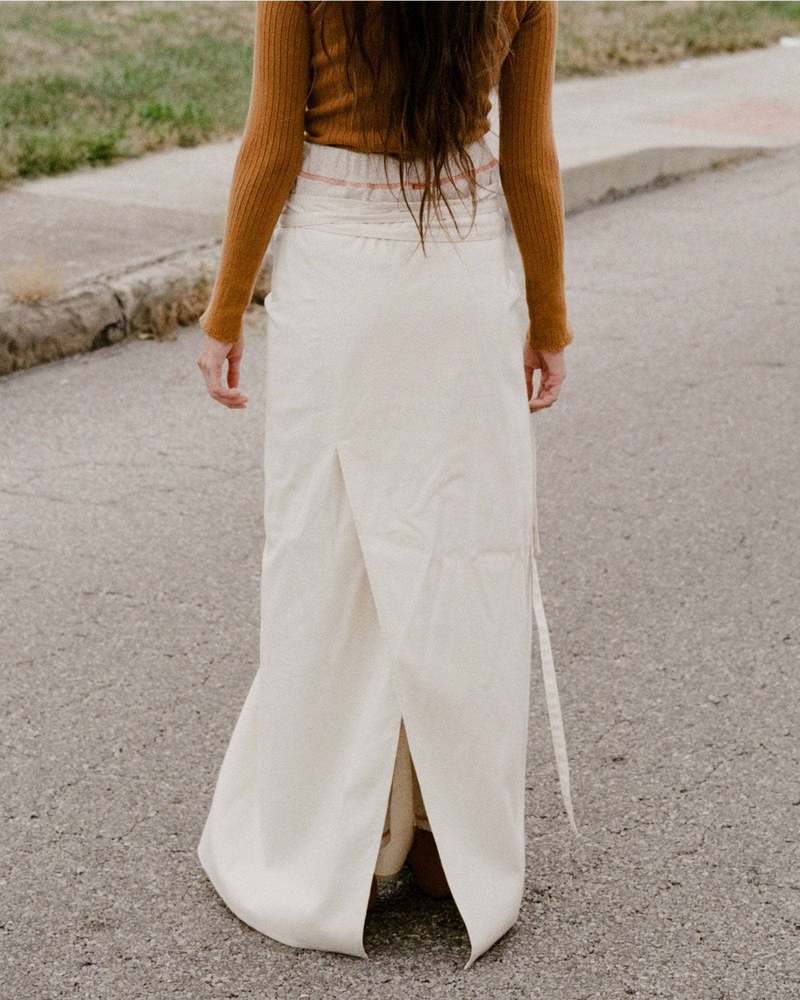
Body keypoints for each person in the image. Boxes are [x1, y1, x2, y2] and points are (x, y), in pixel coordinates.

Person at [194, 0, 577, 971]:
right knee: (458, 555)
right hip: (461, 278)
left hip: (340, 283)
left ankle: (352, 841)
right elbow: (528, 162)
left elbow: (271, 147)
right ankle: (452, 840)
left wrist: (224, 311)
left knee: (328, 559)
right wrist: (549, 319)